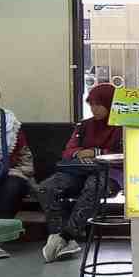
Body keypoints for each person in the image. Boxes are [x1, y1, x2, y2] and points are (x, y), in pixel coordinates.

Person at [37, 83, 123, 263]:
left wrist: (96, 153)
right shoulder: (84, 126)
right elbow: (68, 151)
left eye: (98, 104)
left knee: (94, 186)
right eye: (91, 104)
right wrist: (79, 153)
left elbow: (123, 154)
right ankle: (58, 235)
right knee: (47, 187)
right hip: (79, 170)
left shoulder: (121, 127)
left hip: (110, 173)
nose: (94, 109)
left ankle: (66, 237)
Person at [0, 75, 34, 259]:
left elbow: (24, 155)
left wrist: (20, 173)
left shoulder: (9, 121)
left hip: (6, 173)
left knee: (14, 186)